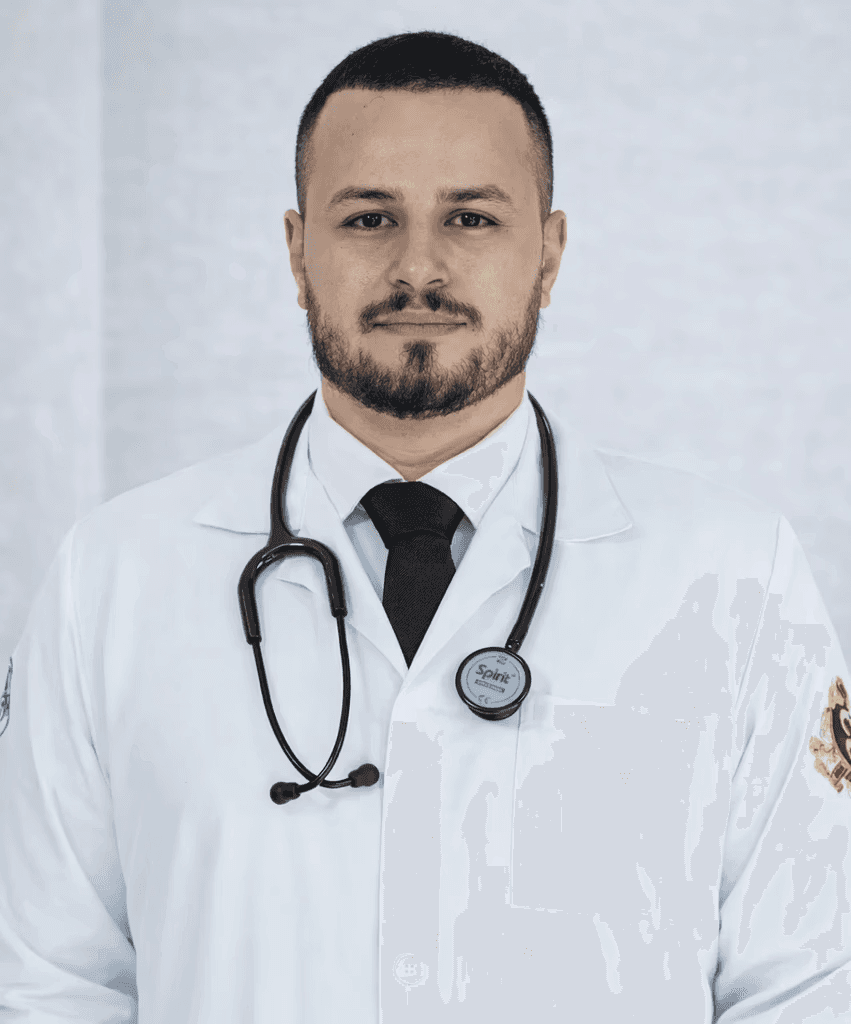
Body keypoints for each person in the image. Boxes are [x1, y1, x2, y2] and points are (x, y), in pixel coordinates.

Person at [0, 29, 848, 1024]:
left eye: (471, 219)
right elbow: (50, 985)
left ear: (550, 250)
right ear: (294, 248)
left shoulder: (730, 573)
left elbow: (805, 982)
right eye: (367, 218)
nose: (418, 267)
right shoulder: (113, 577)